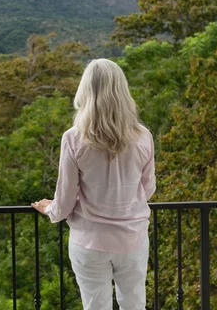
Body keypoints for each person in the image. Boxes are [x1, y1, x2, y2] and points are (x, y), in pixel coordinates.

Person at [32, 58, 156, 310]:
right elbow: (148, 189)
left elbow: (65, 198)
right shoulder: (143, 136)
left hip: (89, 241)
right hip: (132, 238)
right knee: (134, 305)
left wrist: (51, 210)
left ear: (85, 91)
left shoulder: (74, 138)